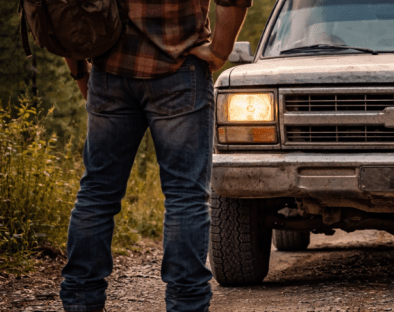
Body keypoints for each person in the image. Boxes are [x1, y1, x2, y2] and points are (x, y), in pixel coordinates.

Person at [58, 0, 251, 311]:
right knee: (185, 196)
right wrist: (219, 51)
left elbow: (67, 9)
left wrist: (81, 73)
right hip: (179, 71)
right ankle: (186, 304)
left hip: (110, 72)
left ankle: (80, 301)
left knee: (97, 194)